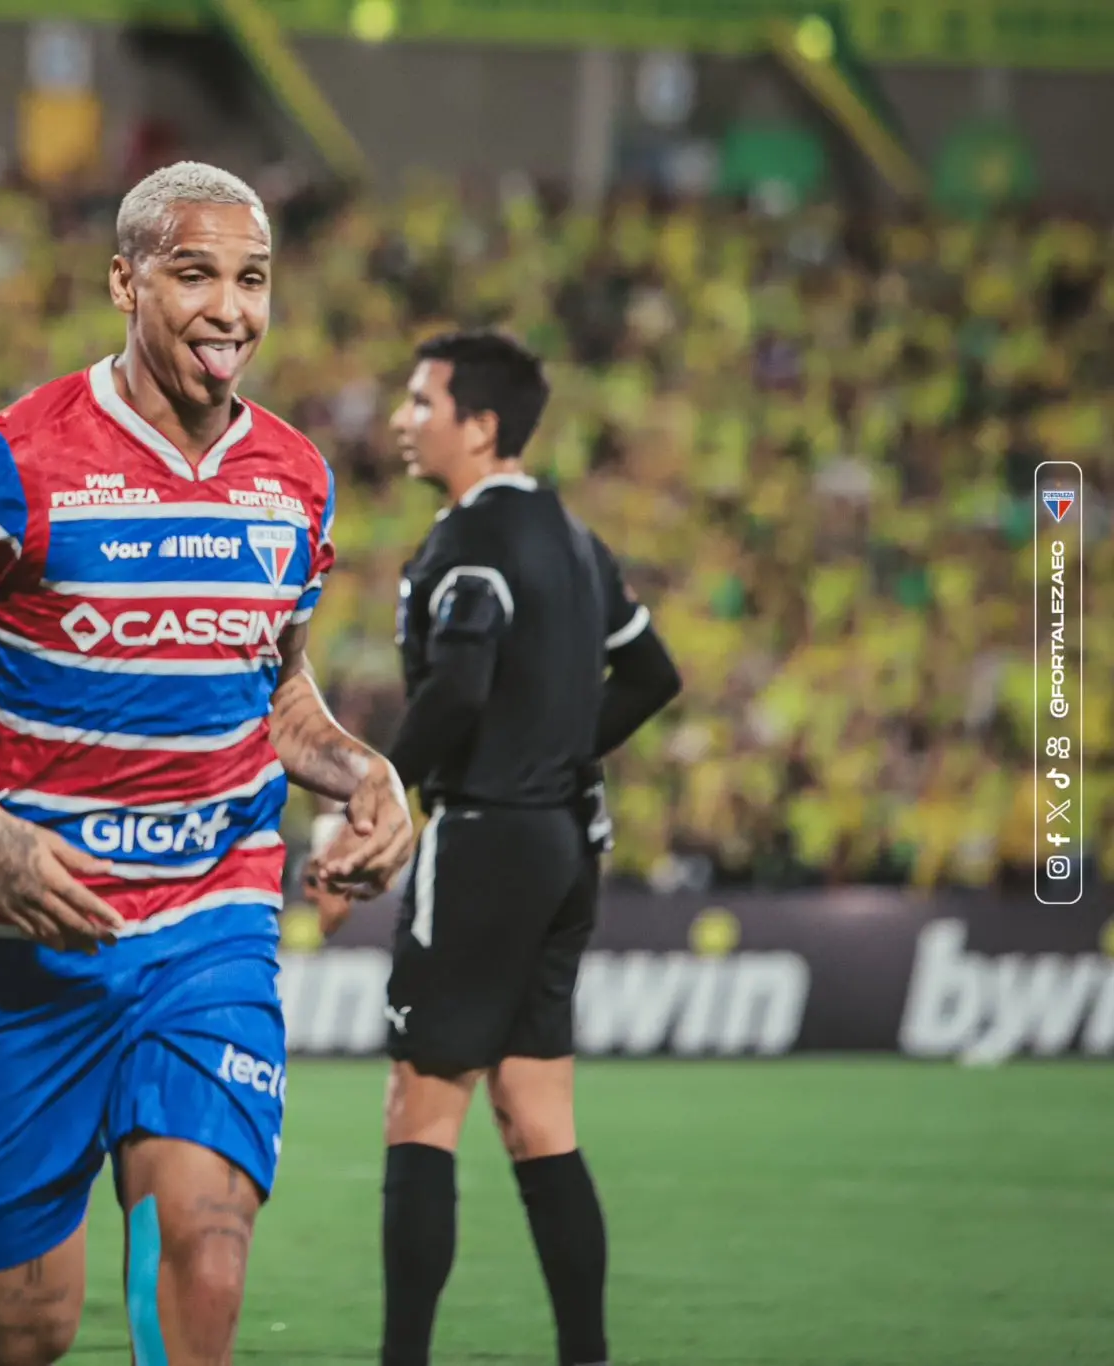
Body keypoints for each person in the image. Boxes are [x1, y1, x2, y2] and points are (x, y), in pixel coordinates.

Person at [0, 162, 416, 1366]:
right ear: (124, 282)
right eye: (194, 275)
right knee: (18, 1332)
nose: (230, 308)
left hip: (207, 922)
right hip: (23, 932)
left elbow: (271, 686)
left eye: (252, 279)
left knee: (205, 1245)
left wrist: (363, 774)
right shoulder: (13, 461)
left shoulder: (295, 480)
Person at [313, 330, 681, 1366]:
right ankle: (584, 1354)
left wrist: (370, 795)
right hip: (568, 842)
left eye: (420, 400)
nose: (398, 416)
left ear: (477, 425)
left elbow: (460, 682)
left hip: (483, 839)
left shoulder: (466, 545)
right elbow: (651, 675)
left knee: (419, 1111)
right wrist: (558, 747)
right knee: (535, 1113)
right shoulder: (574, 539)